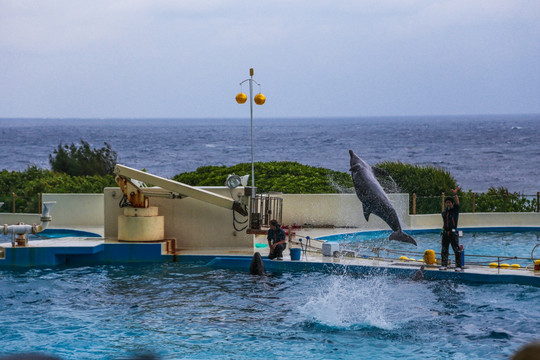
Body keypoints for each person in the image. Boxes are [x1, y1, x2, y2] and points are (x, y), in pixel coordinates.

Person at [440, 187, 463, 272]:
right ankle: (444, 264)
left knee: (456, 249)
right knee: (444, 249)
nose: (448, 204)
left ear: (452, 204)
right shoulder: (444, 212)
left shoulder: (454, 211)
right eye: (447, 203)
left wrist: (455, 194)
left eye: (449, 202)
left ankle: (458, 266)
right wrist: (442, 231)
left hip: (453, 233)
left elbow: (457, 203)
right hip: (445, 233)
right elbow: (445, 223)